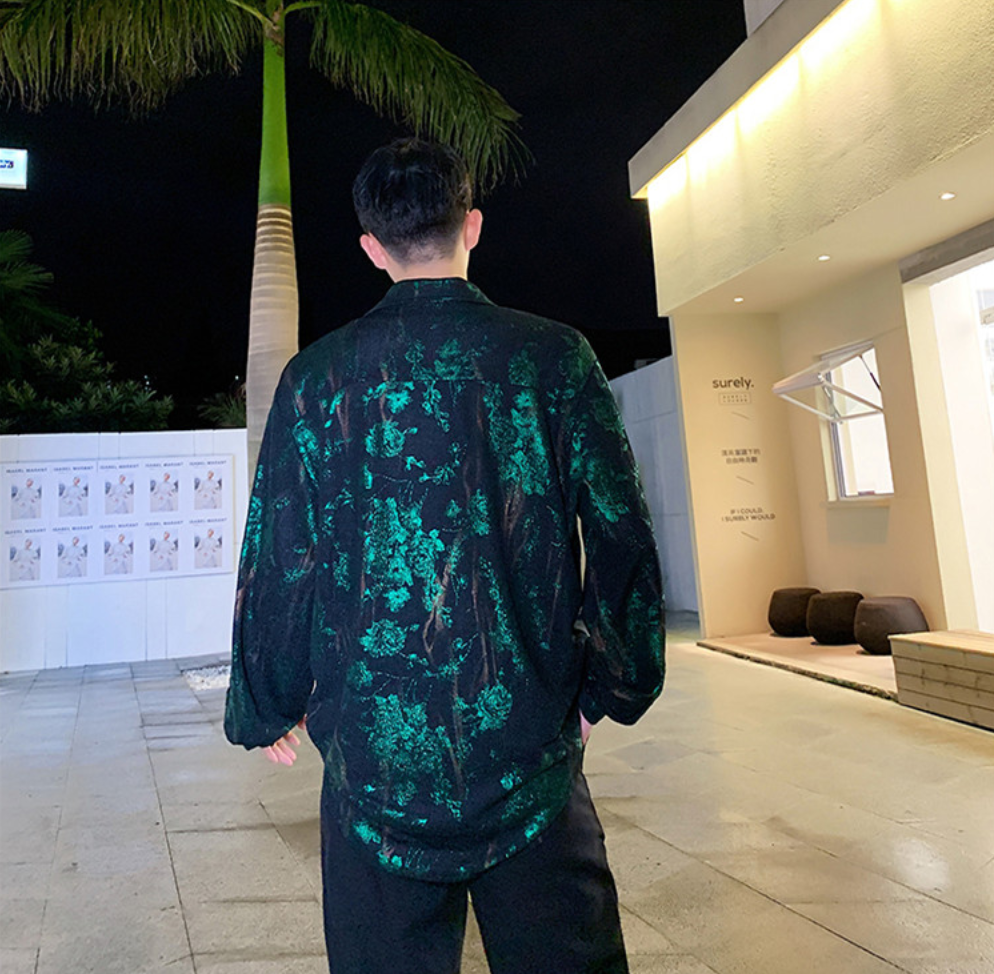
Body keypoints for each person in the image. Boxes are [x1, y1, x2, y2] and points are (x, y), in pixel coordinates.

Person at [224, 139, 665, 974]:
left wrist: (267, 699)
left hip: (372, 763)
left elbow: (282, 553)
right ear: (473, 226)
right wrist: (613, 683)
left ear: (370, 247)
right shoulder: (553, 358)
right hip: (530, 751)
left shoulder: (318, 379)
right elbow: (620, 533)